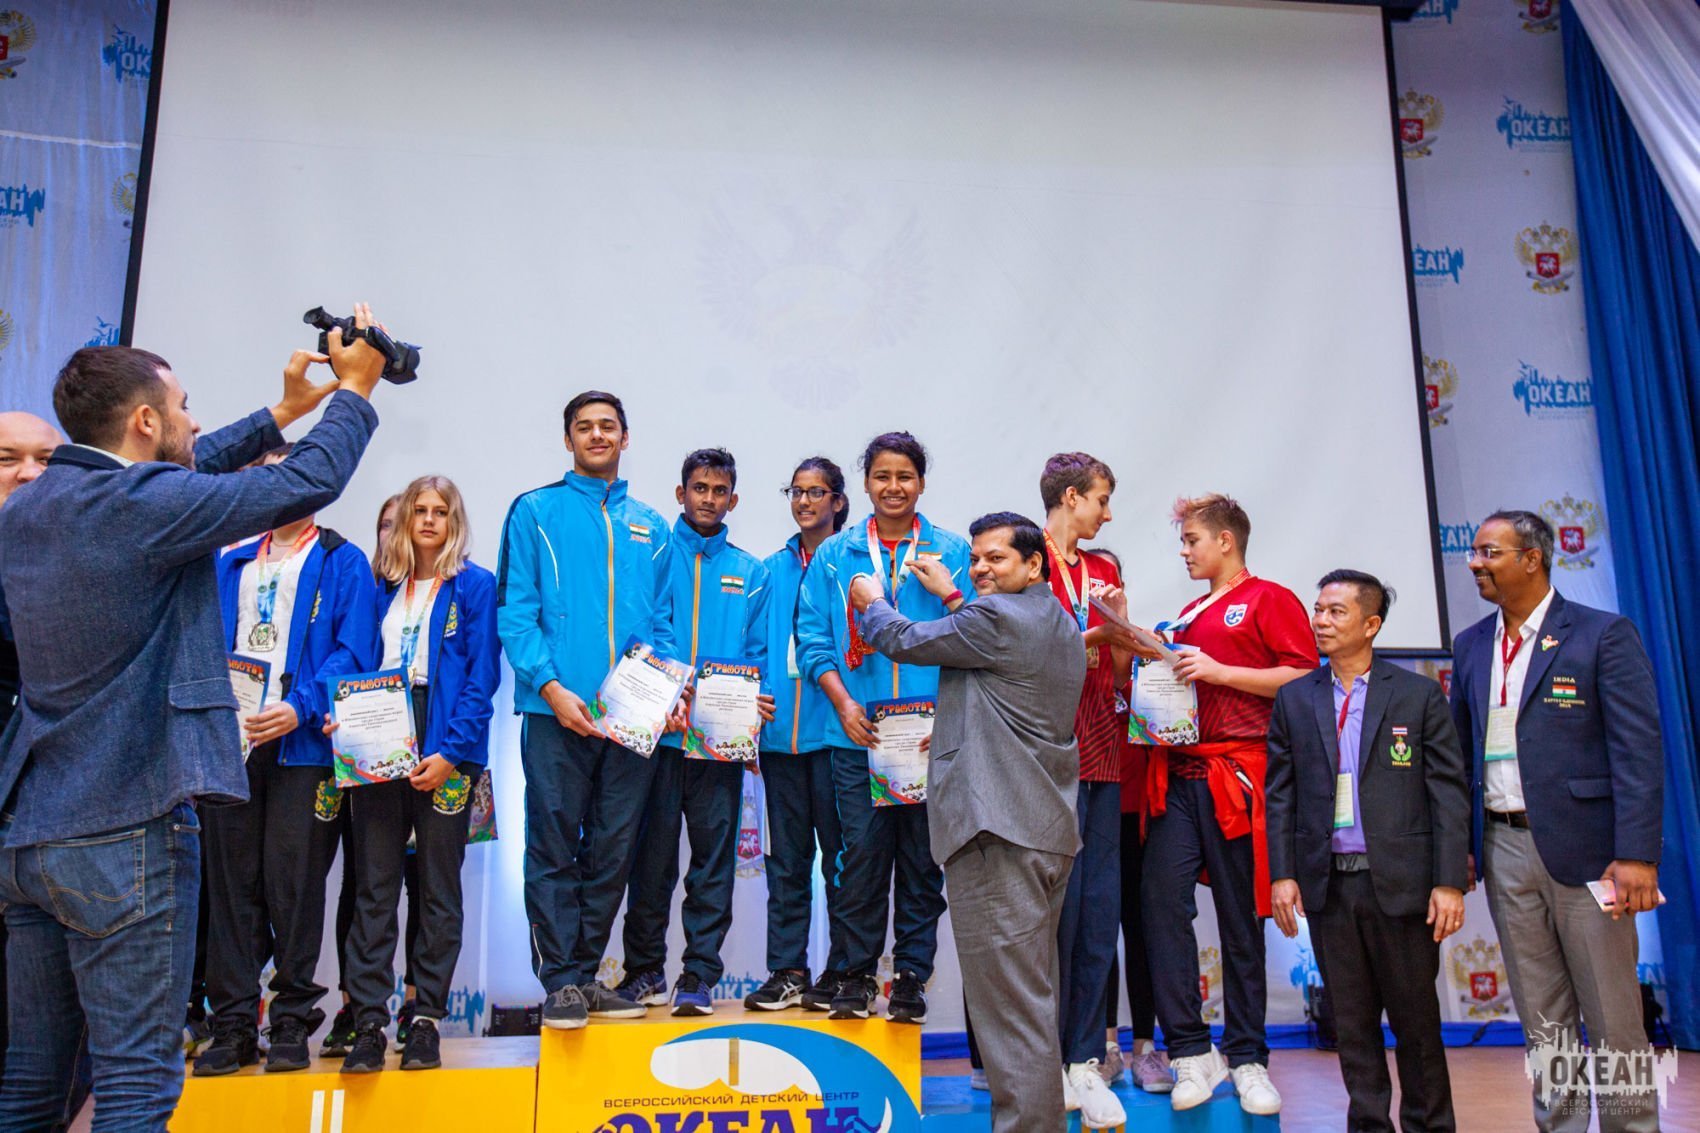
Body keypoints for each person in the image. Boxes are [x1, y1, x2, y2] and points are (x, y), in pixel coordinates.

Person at [0, 320, 388, 1130]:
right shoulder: (140, 507)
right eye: (182, 406)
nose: (193, 420)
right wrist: (355, 388)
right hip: (127, 829)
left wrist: (279, 415)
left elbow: (189, 467)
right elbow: (307, 480)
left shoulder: (28, 509)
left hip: (31, 831)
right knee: (137, 1084)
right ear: (145, 420)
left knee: (32, 1083)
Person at [849, 511, 1085, 1132]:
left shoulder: (996, 619)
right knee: (1028, 1005)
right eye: (975, 558)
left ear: (1034, 565)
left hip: (997, 835)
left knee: (1010, 1014)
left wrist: (872, 601)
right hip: (1041, 831)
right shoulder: (1059, 622)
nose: (980, 568)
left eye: (996, 558)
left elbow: (904, 639)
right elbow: (999, 690)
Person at [1450, 510, 1663, 1132]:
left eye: (1489, 552)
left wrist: (1638, 854)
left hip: (1591, 854)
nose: (1475, 563)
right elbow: (1461, 756)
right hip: (1502, 847)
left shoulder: (1601, 634)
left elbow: (1638, 750)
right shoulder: (1470, 644)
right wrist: (1462, 847)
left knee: (1614, 1018)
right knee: (1543, 1021)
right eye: (1474, 552)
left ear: (1532, 559)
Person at [194, 445, 380, 1076]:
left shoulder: (341, 559)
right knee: (231, 888)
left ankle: (293, 1020)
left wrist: (300, 707)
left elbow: (354, 651)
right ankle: (232, 1024)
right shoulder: (229, 559)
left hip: (302, 749)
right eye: (271, 478)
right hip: (231, 746)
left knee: (294, 886)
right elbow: (201, 647)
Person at [497, 390, 675, 1029]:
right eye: (584, 427)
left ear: (625, 438)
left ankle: (585, 975)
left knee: (611, 851)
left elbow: (661, 624)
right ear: (568, 439)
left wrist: (662, 693)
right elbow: (516, 611)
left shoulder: (652, 526)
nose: (597, 435)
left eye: (608, 426)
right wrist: (549, 687)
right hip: (556, 713)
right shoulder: (534, 511)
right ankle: (560, 982)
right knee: (552, 846)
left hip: (629, 721)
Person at [1267, 570, 1468, 1133]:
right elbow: (1280, 794)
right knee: (1351, 1027)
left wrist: (1448, 881)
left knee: (1416, 1025)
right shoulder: (1296, 698)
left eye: (1336, 612)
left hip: (1402, 885)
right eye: (1318, 609)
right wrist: (1283, 874)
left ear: (1371, 624)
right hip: (1329, 886)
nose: (1321, 621)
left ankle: (1430, 1125)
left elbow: (1448, 793)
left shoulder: (1417, 694)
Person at [1139, 493, 1315, 1116]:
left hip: (1238, 776)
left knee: (1242, 920)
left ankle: (1247, 1057)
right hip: (1180, 774)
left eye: (1191, 540)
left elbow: (1304, 676)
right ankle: (1191, 1051)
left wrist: (1220, 672)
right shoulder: (1189, 613)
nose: (1183, 552)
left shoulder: (1269, 598)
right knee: (1160, 906)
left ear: (1225, 541)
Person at [795, 431, 971, 1023]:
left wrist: (948, 716)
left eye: (905, 477)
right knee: (860, 862)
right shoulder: (835, 555)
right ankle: (855, 973)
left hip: (928, 740)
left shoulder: (951, 551)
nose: (893, 487)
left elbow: (973, 637)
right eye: (882, 476)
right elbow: (813, 640)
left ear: (921, 483)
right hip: (859, 735)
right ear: (865, 484)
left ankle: (912, 977)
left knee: (922, 864)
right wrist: (844, 705)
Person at [337, 475, 500, 1072]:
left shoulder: (475, 585)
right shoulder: (377, 585)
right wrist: (338, 713)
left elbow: (482, 678)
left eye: (441, 511)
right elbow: (350, 658)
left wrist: (451, 752)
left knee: (437, 887)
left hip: (445, 737)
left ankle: (426, 1018)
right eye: (420, 510)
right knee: (374, 885)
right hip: (378, 729)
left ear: (455, 522)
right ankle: (368, 1024)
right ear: (405, 518)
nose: (429, 520)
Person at [618, 448, 773, 1016]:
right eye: (699, 488)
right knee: (650, 861)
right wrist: (663, 694)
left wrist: (754, 707)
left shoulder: (752, 573)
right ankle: (643, 972)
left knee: (712, 864)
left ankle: (699, 976)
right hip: (656, 736)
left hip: (717, 743)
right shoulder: (653, 556)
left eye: (719, 490)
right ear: (680, 494)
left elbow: (757, 655)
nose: (709, 498)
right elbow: (639, 629)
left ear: (734, 499)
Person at [1039, 454, 1131, 1128]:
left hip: (1103, 750)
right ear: (1071, 497)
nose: (1107, 513)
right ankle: (1044, 1061)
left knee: (1099, 912)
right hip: (1045, 759)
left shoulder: (1105, 570)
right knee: (1054, 916)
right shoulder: (1024, 558)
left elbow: (1118, 669)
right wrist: (1094, 631)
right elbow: (1026, 650)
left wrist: (1122, 635)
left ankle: (1085, 1059)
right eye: (1101, 499)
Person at [748, 457, 852, 1013]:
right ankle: (787, 970)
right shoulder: (769, 570)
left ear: (838, 501)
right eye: (796, 491)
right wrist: (747, 702)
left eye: (816, 492)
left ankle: (843, 970)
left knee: (842, 863)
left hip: (836, 740)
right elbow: (751, 647)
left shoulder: (853, 564)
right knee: (786, 863)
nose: (805, 501)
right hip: (778, 743)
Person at [324, 491, 407, 1060]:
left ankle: (420, 1006)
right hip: (367, 754)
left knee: (429, 885)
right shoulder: (361, 588)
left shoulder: (457, 588)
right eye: (387, 525)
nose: (397, 534)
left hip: (437, 755)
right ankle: (355, 1005)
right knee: (363, 885)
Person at [0, 410, 64, 1100]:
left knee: (41, 1060)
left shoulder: (75, 556)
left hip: (47, 839)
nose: (28, 474)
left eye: (45, 459)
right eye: (7, 458)